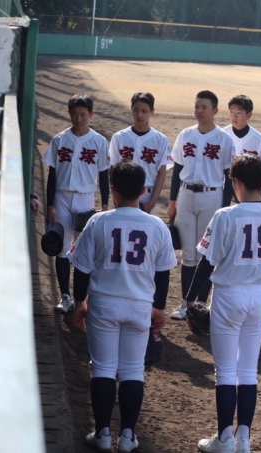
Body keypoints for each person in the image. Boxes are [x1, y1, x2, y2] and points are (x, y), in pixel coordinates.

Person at [181, 155, 261, 453]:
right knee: (248, 371)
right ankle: (244, 440)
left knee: (226, 372)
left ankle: (224, 439)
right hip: (258, 297)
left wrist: (190, 298)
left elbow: (206, 263)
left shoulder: (225, 216)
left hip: (228, 296)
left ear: (236, 182)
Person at [69, 161, 177, 452]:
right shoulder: (157, 225)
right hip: (140, 306)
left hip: (103, 303)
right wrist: (159, 307)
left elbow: (82, 269)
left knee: (103, 368)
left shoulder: (98, 221)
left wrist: (79, 302)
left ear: (113, 190)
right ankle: (128, 436)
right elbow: (163, 273)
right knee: (132, 370)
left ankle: (103, 433)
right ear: (143, 191)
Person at [167, 90, 235, 321]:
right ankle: (186, 304)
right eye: (197, 106)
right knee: (188, 255)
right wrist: (173, 201)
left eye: (204, 107)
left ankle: (202, 305)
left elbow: (228, 177)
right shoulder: (186, 134)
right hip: (186, 195)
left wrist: (223, 209)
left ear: (215, 110)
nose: (199, 111)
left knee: (205, 253)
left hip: (212, 197)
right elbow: (177, 169)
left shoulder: (224, 139)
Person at [43, 94, 110, 314]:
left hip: (85, 199)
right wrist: (50, 204)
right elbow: (52, 175)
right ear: (68, 113)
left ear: (91, 114)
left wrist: (105, 205)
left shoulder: (99, 141)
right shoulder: (59, 139)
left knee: (84, 250)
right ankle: (65, 296)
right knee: (61, 248)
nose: (78, 119)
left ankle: (83, 298)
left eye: (83, 114)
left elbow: (104, 175)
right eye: (74, 114)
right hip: (61, 198)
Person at [109, 92, 171, 215]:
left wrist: (151, 203)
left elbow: (161, 172)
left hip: (148, 196)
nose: (139, 115)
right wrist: (116, 199)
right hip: (123, 195)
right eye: (136, 110)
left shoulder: (161, 139)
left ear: (152, 111)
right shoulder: (119, 137)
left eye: (144, 111)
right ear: (131, 109)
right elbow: (113, 170)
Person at [223, 94, 261, 203]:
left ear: (249, 115)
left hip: (249, 193)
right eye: (231, 112)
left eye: (239, 113)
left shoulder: (259, 140)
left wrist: (259, 197)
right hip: (223, 191)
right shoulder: (222, 135)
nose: (234, 116)